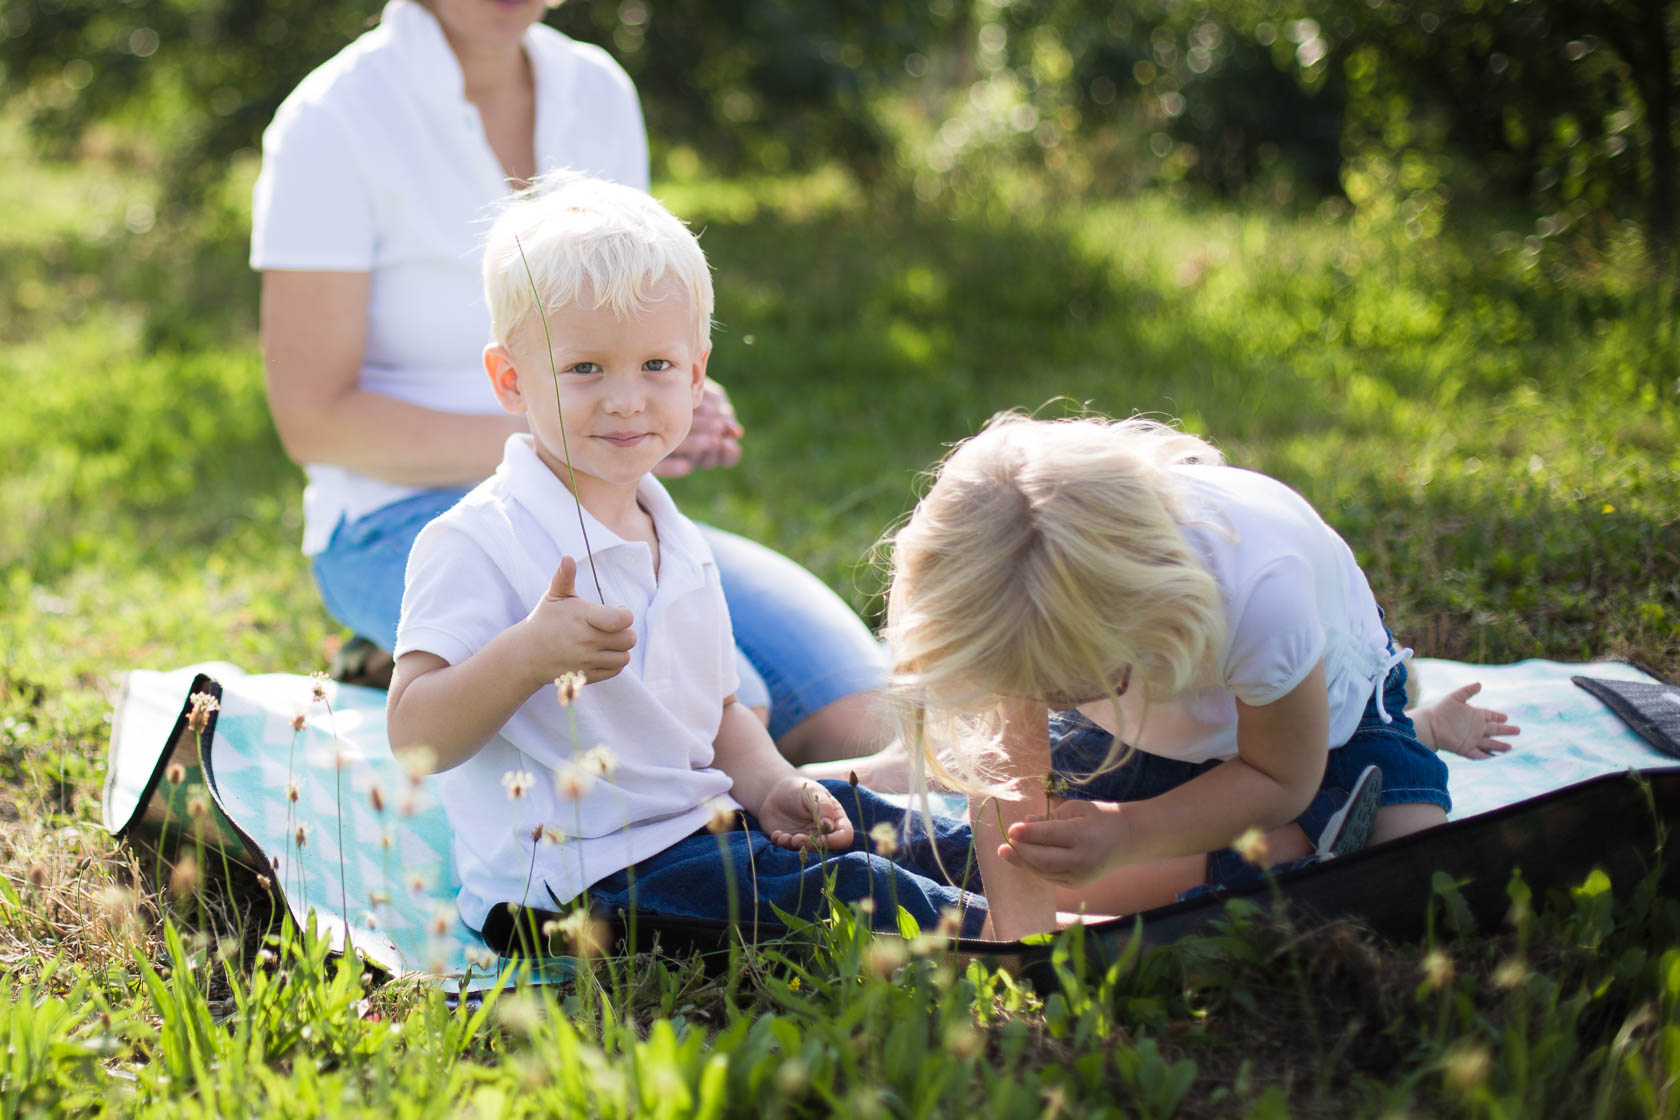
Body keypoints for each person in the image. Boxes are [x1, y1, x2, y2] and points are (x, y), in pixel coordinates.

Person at [251, 0, 887, 763]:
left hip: (608, 511)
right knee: (707, 730)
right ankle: (424, 656)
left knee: (866, 717)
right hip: (396, 519)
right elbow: (314, 420)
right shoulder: (331, 117)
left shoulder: (598, 90)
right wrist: (583, 422)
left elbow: (630, 313)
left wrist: (662, 388)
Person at [384, 175, 984, 943]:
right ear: (511, 380)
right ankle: (1020, 938)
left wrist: (770, 786)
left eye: (657, 367)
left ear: (698, 374)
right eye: (586, 369)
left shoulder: (678, 539)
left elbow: (719, 715)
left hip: (697, 830)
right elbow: (414, 738)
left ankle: (1083, 871)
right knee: (845, 886)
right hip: (576, 883)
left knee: (872, 820)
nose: (627, 398)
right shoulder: (478, 541)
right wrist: (524, 655)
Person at [882, 412, 1520, 939]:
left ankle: (1411, 733)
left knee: (1404, 875)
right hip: (1161, 731)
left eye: (1067, 682)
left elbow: (1279, 776)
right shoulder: (1019, 607)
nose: (1044, 702)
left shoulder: (1258, 589)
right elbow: (1010, 783)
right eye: (1033, 689)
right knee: (1056, 862)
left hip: (1321, 728)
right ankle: (1281, 843)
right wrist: (1023, 942)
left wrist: (1131, 832)